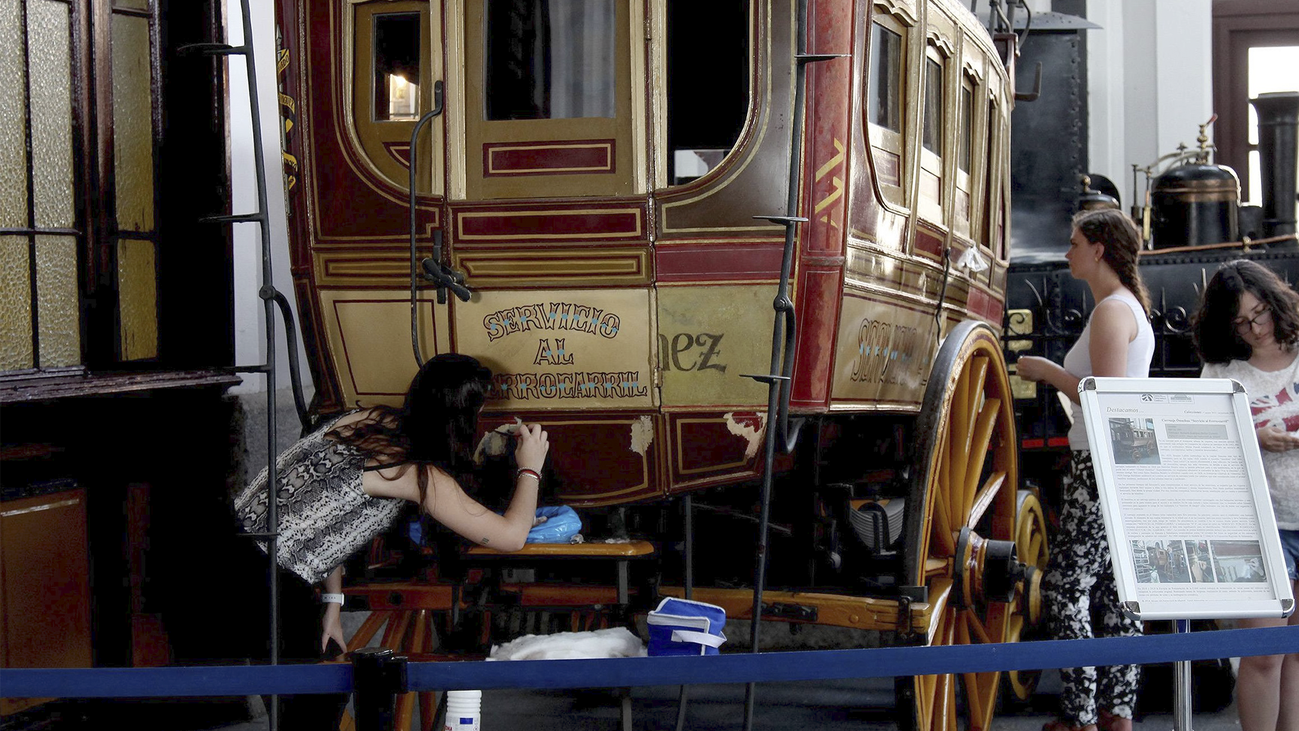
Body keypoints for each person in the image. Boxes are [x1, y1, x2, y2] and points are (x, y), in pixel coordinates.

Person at [233, 353, 549, 726]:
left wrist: (333, 601)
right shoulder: (410, 472)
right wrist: (531, 466)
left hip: (233, 548)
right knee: (312, 709)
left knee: (312, 696)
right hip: (268, 583)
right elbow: (511, 537)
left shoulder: (366, 419)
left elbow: (324, 517)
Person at [1016, 209, 1154, 731]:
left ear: (1099, 249)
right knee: (1118, 589)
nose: (1067, 251)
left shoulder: (1112, 313)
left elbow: (1108, 400)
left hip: (1100, 460)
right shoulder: (1125, 309)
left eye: (1074, 242)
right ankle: (1116, 712)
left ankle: (1081, 715)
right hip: (1122, 460)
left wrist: (1049, 372)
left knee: (1065, 586)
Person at [1194, 259, 1299, 731]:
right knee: (1262, 655)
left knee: (1295, 654)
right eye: (1240, 321)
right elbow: (1199, 442)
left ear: (1275, 301)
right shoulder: (1221, 370)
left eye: (1260, 313)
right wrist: (1255, 438)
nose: (1255, 328)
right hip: (1259, 522)